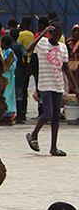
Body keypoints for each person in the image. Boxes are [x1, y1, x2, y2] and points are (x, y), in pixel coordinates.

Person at [26, 23, 78, 157]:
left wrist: (75, 87)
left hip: (58, 84)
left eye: (60, 35)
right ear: (50, 33)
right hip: (45, 84)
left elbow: (65, 68)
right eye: (55, 34)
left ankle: (53, 147)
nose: (58, 37)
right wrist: (42, 34)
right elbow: (29, 49)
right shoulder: (42, 43)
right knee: (48, 113)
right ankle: (33, 134)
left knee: (56, 117)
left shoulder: (62, 47)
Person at [17, 17, 36, 121]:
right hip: (29, 63)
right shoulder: (32, 34)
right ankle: (24, 111)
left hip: (22, 63)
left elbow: (18, 45)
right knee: (25, 89)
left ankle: (19, 112)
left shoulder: (21, 34)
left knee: (20, 88)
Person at [0, 34, 18, 125]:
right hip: (3, 76)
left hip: (9, 77)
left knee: (8, 94)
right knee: (3, 94)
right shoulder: (3, 51)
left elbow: (13, 65)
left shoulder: (10, 52)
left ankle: (8, 113)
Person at [67, 25, 79, 94]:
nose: (76, 32)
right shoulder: (69, 41)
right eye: (75, 31)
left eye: (78, 31)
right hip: (70, 64)